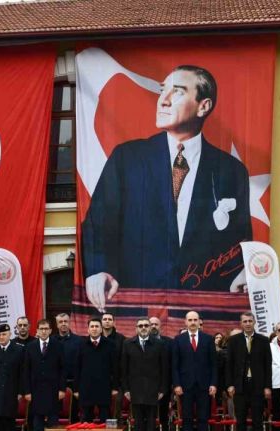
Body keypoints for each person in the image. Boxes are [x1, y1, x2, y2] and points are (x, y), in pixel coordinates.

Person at [81, 65, 252, 316]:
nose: (163, 100)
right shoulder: (127, 159)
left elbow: (240, 240)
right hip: (138, 311)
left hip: (203, 314)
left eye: (178, 91)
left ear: (203, 106)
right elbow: (98, 222)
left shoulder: (232, 170)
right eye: (163, 90)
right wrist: (98, 269)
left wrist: (241, 271)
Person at [225, 312, 271, 431]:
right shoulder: (233, 340)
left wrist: (267, 386)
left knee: (257, 421)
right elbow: (229, 364)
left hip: (258, 386)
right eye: (245, 321)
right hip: (240, 386)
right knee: (240, 421)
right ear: (241, 323)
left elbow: (267, 365)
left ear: (254, 322)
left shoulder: (264, 340)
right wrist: (230, 384)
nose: (248, 323)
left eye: (250, 321)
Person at [172, 311, 217, 431]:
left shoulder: (208, 339)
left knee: (203, 418)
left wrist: (213, 383)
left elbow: (214, 364)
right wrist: (177, 384)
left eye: (195, 320)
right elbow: (175, 365)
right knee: (187, 419)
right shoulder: (178, 340)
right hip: (185, 386)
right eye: (190, 320)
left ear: (199, 322)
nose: (193, 322)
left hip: (204, 386)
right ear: (185, 322)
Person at [122, 318, 168, 431]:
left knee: (151, 423)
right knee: (138, 423)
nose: (143, 328)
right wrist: (126, 389)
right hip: (135, 390)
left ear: (150, 328)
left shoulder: (160, 344)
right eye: (140, 326)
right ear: (136, 328)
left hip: (153, 390)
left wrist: (162, 389)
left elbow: (164, 368)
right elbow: (124, 369)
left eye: (146, 325)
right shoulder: (128, 343)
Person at [23, 319, 65, 431]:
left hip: (53, 391)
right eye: (41, 329)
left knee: (53, 426)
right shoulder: (30, 347)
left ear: (50, 330)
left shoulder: (58, 346)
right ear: (37, 330)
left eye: (46, 329)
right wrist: (27, 391)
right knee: (37, 425)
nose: (43, 331)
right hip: (36, 392)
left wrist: (62, 389)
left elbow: (62, 369)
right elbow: (26, 370)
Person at [75, 317, 119, 422]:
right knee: (86, 422)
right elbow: (77, 368)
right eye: (92, 326)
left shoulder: (110, 344)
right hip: (86, 388)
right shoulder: (81, 344)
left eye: (97, 326)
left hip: (104, 388)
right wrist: (76, 389)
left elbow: (115, 367)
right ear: (88, 329)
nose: (94, 329)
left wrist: (115, 387)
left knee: (105, 420)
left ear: (101, 329)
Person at [54, 313, 82, 423]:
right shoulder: (51, 341)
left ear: (69, 323)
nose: (63, 324)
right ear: (57, 324)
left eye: (65, 321)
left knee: (74, 417)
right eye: (60, 322)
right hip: (56, 384)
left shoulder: (79, 341)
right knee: (55, 416)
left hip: (74, 383)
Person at [149, 316, 172, 431]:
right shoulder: (141, 342)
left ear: (160, 326)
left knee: (164, 415)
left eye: (156, 324)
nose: (153, 326)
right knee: (149, 416)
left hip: (164, 384)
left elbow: (172, 363)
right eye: (151, 324)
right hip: (147, 385)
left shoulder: (169, 342)